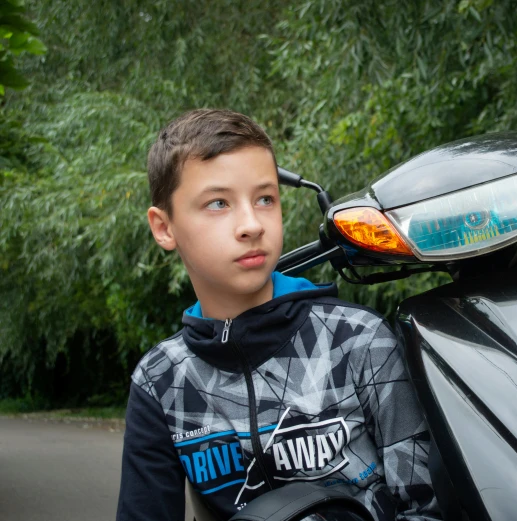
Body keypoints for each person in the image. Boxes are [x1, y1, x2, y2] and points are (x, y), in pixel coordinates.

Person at [116, 109, 440, 521]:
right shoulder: (160, 382)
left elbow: (426, 507)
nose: (251, 224)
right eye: (218, 203)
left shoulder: (358, 339)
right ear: (164, 227)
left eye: (265, 199)